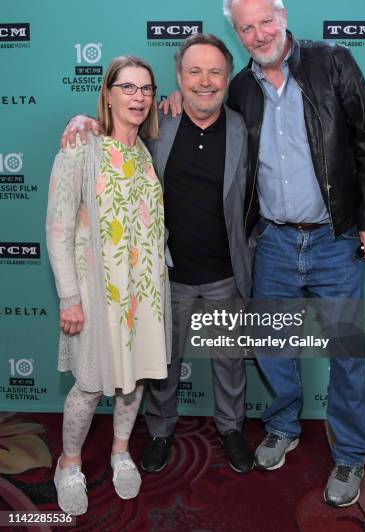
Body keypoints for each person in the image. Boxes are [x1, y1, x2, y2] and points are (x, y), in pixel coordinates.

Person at [221, 0, 365, 507]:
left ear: (283, 14)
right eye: (246, 28)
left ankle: (352, 454)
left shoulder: (331, 61)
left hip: (334, 239)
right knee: (273, 348)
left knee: (346, 353)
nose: (258, 34)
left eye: (264, 21)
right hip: (272, 240)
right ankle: (283, 425)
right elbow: (205, 122)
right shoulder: (240, 88)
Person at [60, 34, 255, 474]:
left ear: (227, 76)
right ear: (179, 79)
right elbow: (113, 135)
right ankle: (162, 431)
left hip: (227, 272)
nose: (205, 82)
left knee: (229, 363)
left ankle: (230, 429)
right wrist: (83, 120)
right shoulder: (157, 125)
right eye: (194, 72)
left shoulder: (242, 128)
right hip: (165, 277)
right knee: (161, 365)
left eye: (215, 72)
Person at [46, 55, 170, 515]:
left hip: (142, 294)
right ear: (108, 93)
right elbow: (58, 228)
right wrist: (69, 297)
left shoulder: (144, 154)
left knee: (133, 380)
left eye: (146, 89)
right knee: (88, 386)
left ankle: (121, 452)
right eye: (128, 87)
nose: (138, 97)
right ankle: (69, 463)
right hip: (96, 296)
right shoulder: (81, 147)